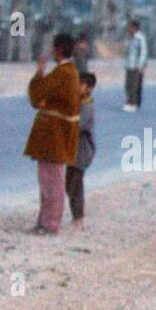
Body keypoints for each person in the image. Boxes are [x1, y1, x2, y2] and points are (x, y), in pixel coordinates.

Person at [24, 33, 82, 235]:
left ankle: (50, 224)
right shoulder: (68, 72)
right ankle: (45, 222)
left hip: (55, 137)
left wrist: (40, 70)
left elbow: (37, 95)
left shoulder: (64, 73)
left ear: (58, 50)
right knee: (49, 180)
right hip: (54, 137)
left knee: (52, 182)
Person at [64, 71, 97, 229]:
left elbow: (78, 125)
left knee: (75, 184)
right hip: (74, 151)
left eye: (80, 85)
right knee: (69, 183)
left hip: (82, 151)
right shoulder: (79, 103)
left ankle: (78, 219)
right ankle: (76, 215)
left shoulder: (87, 107)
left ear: (88, 88)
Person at [122, 19, 147, 112]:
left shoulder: (140, 38)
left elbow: (143, 51)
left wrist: (141, 64)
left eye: (130, 27)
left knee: (134, 85)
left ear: (135, 28)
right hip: (129, 64)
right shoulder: (129, 38)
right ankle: (129, 101)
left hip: (136, 65)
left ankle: (133, 103)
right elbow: (126, 51)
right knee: (128, 85)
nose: (129, 29)